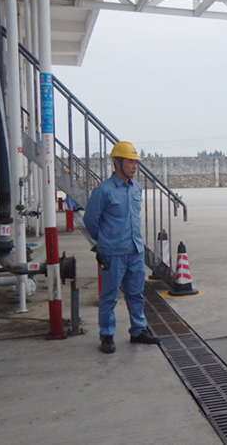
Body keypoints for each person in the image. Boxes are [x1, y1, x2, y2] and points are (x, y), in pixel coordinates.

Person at [83, 141, 161, 354]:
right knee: (109, 297)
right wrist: (105, 241)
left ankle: (138, 330)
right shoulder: (103, 191)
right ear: (117, 163)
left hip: (135, 251)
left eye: (136, 162)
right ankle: (107, 335)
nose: (134, 166)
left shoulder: (136, 188)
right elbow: (90, 220)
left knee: (136, 294)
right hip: (113, 254)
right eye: (130, 162)